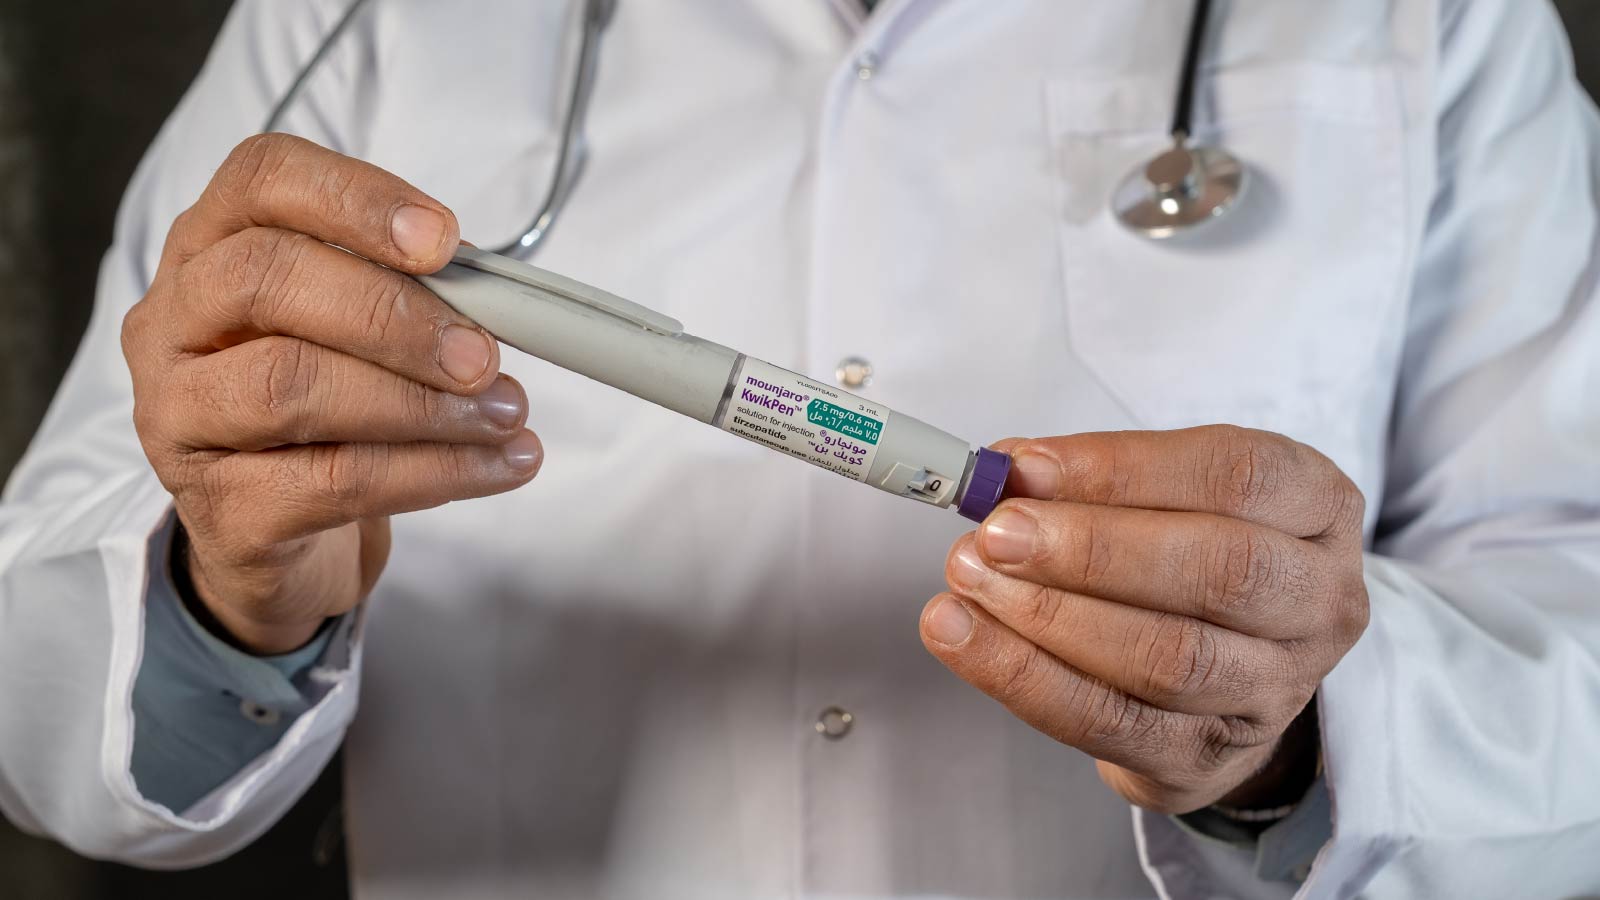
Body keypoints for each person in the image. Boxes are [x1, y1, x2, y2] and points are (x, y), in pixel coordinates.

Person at [2, 1, 1597, 897]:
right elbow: (39, 676)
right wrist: (225, 592)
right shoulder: (359, 21)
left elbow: (1572, 631)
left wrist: (1304, 736)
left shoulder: (1428, 24)